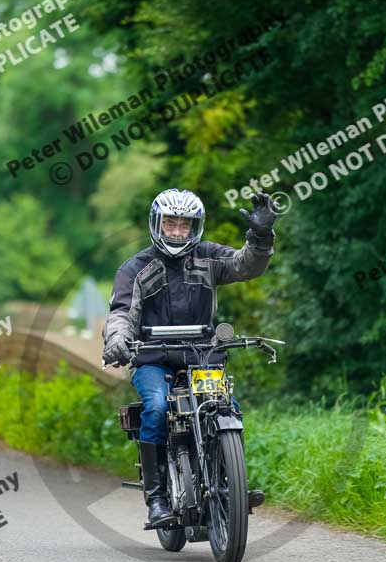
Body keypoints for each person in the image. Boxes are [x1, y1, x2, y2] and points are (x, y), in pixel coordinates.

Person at [102, 188, 276, 526]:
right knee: (156, 407)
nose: (178, 231)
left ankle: (228, 484)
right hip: (152, 357)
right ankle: (157, 499)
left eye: (185, 225)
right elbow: (121, 313)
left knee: (228, 407)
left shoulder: (209, 256)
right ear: (157, 224)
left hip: (202, 356)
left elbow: (247, 265)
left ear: (195, 227)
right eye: (171, 223)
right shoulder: (134, 268)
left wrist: (261, 234)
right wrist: (118, 341)